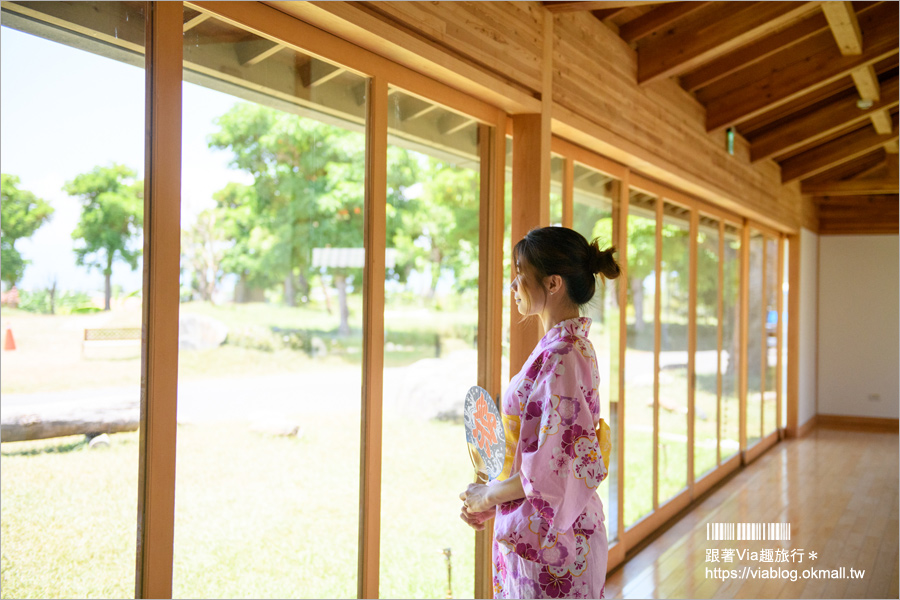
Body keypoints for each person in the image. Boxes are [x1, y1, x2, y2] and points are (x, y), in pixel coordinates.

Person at [459, 226, 621, 599]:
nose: (513, 285)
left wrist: (491, 495)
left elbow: (556, 469)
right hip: (540, 532)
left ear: (552, 284)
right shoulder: (559, 348)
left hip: (556, 544)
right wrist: (490, 496)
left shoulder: (565, 355)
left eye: (520, 273)